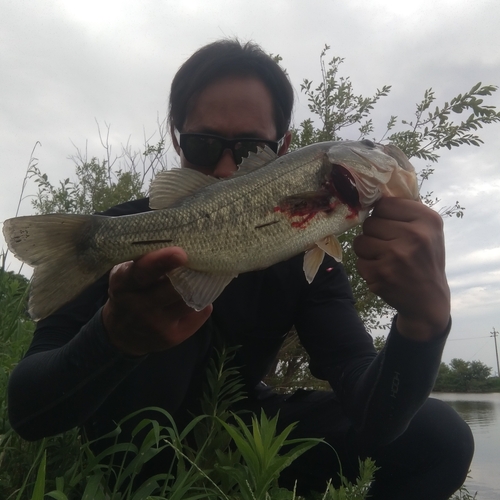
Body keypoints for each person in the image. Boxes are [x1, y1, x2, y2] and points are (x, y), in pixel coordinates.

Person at [8, 40, 474, 499]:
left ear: (284, 148)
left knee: (441, 439)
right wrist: (111, 337)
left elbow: (372, 408)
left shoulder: (309, 250)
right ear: (176, 139)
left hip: (242, 430)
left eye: (250, 146)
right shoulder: (115, 233)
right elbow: (28, 412)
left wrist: (423, 325)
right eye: (203, 144)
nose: (227, 169)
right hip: (128, 445)